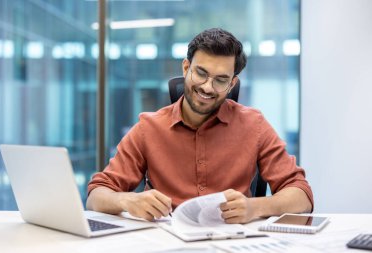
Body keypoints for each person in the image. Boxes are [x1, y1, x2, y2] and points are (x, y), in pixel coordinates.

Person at [87, 28, 313, 224]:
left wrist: (255, 207)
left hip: (228, 241)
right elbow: (96, 195)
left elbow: (302, 195)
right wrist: (128, 200)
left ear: (232, 83)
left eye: (221, 80)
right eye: (201, 73)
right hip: (164, 241)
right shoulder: (149, 127)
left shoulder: (254, 125)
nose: (207, 87)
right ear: (186, 68)